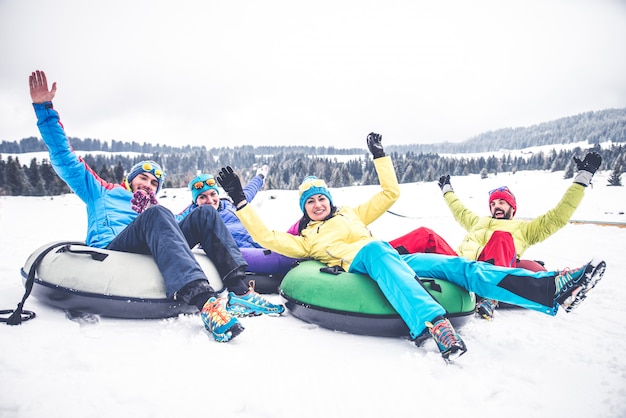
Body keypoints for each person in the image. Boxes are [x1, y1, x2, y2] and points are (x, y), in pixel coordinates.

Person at [216, 132, 607, 362]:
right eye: (310, 202)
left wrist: (379, 156)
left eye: (321, 199)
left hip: (390, 257)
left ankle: (549, 289)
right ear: (305, 210)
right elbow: (267, 238)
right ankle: (433, 323)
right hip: (361, 263)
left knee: (461, 269)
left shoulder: (351, 214)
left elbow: (391, 192)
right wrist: (240, 201)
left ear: (329, 200)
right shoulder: (306, 238)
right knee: (375, 251)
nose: (317, 205)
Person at [28, 70, 282, 343]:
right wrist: (44, 109)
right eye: (143, 178)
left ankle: (240, 292)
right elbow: (64, 158)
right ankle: (206, 305)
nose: (148, 185)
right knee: (157, 214)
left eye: (154, 182)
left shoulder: (155, 208)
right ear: (130, 179)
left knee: (205, 213)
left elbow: (176, 226)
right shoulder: (101, 192)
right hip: (115, 247)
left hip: (151, 241)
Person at [390, 153, 602, 320]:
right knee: (425, 234)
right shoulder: (478, 221)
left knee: (501, 237)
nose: (496, 206)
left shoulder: (524, 229)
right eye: (493, 203)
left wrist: (582, 179)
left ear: (512, 207)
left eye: (501, 202)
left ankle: (489, 299)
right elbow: (459, 210)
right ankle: (374, 257)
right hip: (458, 267)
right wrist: (448, 190)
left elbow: (558, 216)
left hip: (487, 277)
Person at [175, 168, 294, 306]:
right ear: (195, 200)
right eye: (202, 197)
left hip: (258, 247)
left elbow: (249, 191)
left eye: (213, 194)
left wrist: (260, 176)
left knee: (292, 251)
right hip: (233, 255)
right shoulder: (194, 214)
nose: (210, 200)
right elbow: (170, 222)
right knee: (287, 260)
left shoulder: (230, 204)